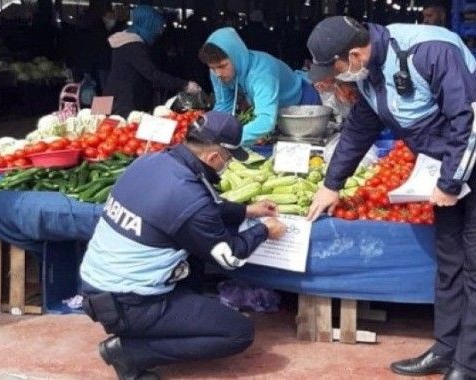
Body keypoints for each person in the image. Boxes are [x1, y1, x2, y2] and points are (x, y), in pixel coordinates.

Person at [305, 16, 476, 380]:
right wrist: (333, 183)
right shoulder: (368, 74)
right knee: (450, 258)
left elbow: (472, 120)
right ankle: (445, 348)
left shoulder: (429, 52)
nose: (335, 76)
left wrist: (451, 183)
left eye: (336, 68)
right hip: (448, 163)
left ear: (355, 53)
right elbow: (361, 126)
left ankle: (468, 366)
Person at [79, 111, 287, 380]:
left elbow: (196, 209)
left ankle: (163, 324)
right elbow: (230, 257)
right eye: (228, 159)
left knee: (194, 256)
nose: (227, 165)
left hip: (100, 289)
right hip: (130, 304)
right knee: (238, 333)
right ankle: (131, 352)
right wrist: (264, 230)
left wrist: (247, 211)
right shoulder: (190, 197)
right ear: (213, 157)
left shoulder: (151, 162)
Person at [199, 27, 321, 146]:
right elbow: (223, 106)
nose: (218, 73)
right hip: (276, 112)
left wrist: (233, 140)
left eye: (222, 66)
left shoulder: (262, 72)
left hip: (303, 104)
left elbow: (266, 119)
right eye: (212, 68)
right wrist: (208, 134)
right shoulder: (217, 73)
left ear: (236, 57)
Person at [103, 5, 200, 116]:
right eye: (157, 26)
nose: (159, 31)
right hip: (123, 102)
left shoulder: (120, 41)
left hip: (107, 95)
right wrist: (184, 85)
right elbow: (152, 74)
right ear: (149, 24)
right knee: (118, 130)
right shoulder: (134, 46)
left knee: (95, 126)